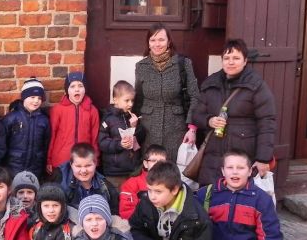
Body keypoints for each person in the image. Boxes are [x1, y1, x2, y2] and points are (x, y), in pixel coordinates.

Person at [192, 38, 277, 187]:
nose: (231, 62)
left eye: (236, 58)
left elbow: (267, 123)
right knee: (211, 196)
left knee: (240, 200)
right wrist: (209, 120)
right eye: (227, 58)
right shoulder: (211, 83)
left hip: (243, 154)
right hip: (213, 155)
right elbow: (196, 114)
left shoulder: (256, 86)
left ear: (245, 61)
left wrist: (263, 158)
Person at [133, 23, 199, 162]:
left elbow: (194, 96)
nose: (157, 44)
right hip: (148, 129)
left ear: (169, 41)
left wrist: (192, 129)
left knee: (173, 170)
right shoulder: (141, 66)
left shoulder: (183, 64)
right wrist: (134, 129)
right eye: (153, 40)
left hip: (176, 129)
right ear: (148, 43)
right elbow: (138, 99)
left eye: (161, 39)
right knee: (151, 169)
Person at [47, 71, 100, 173]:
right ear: (67, 90)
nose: (77, 89)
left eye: (80, 86)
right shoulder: (58, 109)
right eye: (72, 86)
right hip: (61, 161)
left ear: (85, 89)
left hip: (83, 161)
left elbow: (95, 138)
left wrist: (95, 159)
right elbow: (51, 136)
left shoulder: (92, 110)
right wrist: (49, 160)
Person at [99, 80, 147, 187]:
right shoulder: (108, 119)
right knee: (116, 199)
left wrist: (134, 126)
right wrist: (119, 144)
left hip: (132, 169)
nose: (131, 104)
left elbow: (141, 138)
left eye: (132, 100)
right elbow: (102, 143)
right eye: (127, 100)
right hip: (115, 171)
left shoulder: (132, 116)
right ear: (115, 100)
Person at [3, 78, 50, 181]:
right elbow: (2, 143)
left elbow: (46, 145)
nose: (36, 101)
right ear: (24, 97)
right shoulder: (11, 118)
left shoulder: (44, 120)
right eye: (32, 97)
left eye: (39, 98)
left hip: (35, 169)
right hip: (13, 168)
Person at [55, 143, 119, 214]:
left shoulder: (105, 187)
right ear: (71, 164)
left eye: (88, 166)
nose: (83, 171)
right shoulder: (59, 182)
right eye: (78, 166)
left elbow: (114, 213)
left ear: (95, 163)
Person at [118, 144, 167, 220]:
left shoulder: (172, 182)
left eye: (161, 161)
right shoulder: (131, 183)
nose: (158, 164)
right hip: (141, 225)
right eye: (153, 161)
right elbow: (126, 212)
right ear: (146, 164)